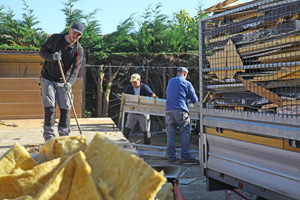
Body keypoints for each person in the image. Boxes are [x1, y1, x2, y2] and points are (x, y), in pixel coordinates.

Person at [39, 22, 85, 142]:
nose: (75, 36)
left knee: (66, 107)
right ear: (70, 30)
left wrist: (70, 83)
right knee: (50, 107)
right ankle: (49, 139)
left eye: (78, 35)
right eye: (74, 33)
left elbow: (76, 69)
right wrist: (51, 57)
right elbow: (42, 51)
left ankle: (64, 137)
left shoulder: (78, 49)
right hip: (48, 78)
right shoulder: (56, 39)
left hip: (64, 81)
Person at [165, 67, 199, 164]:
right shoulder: (187, 83)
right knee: (185, 133)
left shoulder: (171, 81)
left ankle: (171, 157)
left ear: (177, 73)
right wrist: (187, 99)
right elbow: (195, 100)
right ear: (185, 74)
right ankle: (185, 156)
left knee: (171, 135)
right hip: (181, 111)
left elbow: (170, 94)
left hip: (169, 111)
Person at [123, 73, 156, 145]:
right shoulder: (129, 87)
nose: (133, 83)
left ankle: (147, 145)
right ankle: (123, 143)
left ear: (139, 80)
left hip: (143, 111)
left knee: (146, 129)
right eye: (132, 82)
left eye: (135, 82)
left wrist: (154, 98)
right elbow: (124, 96)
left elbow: (151, 94)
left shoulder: (144, 87)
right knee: (128, 126)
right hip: (132, 110)